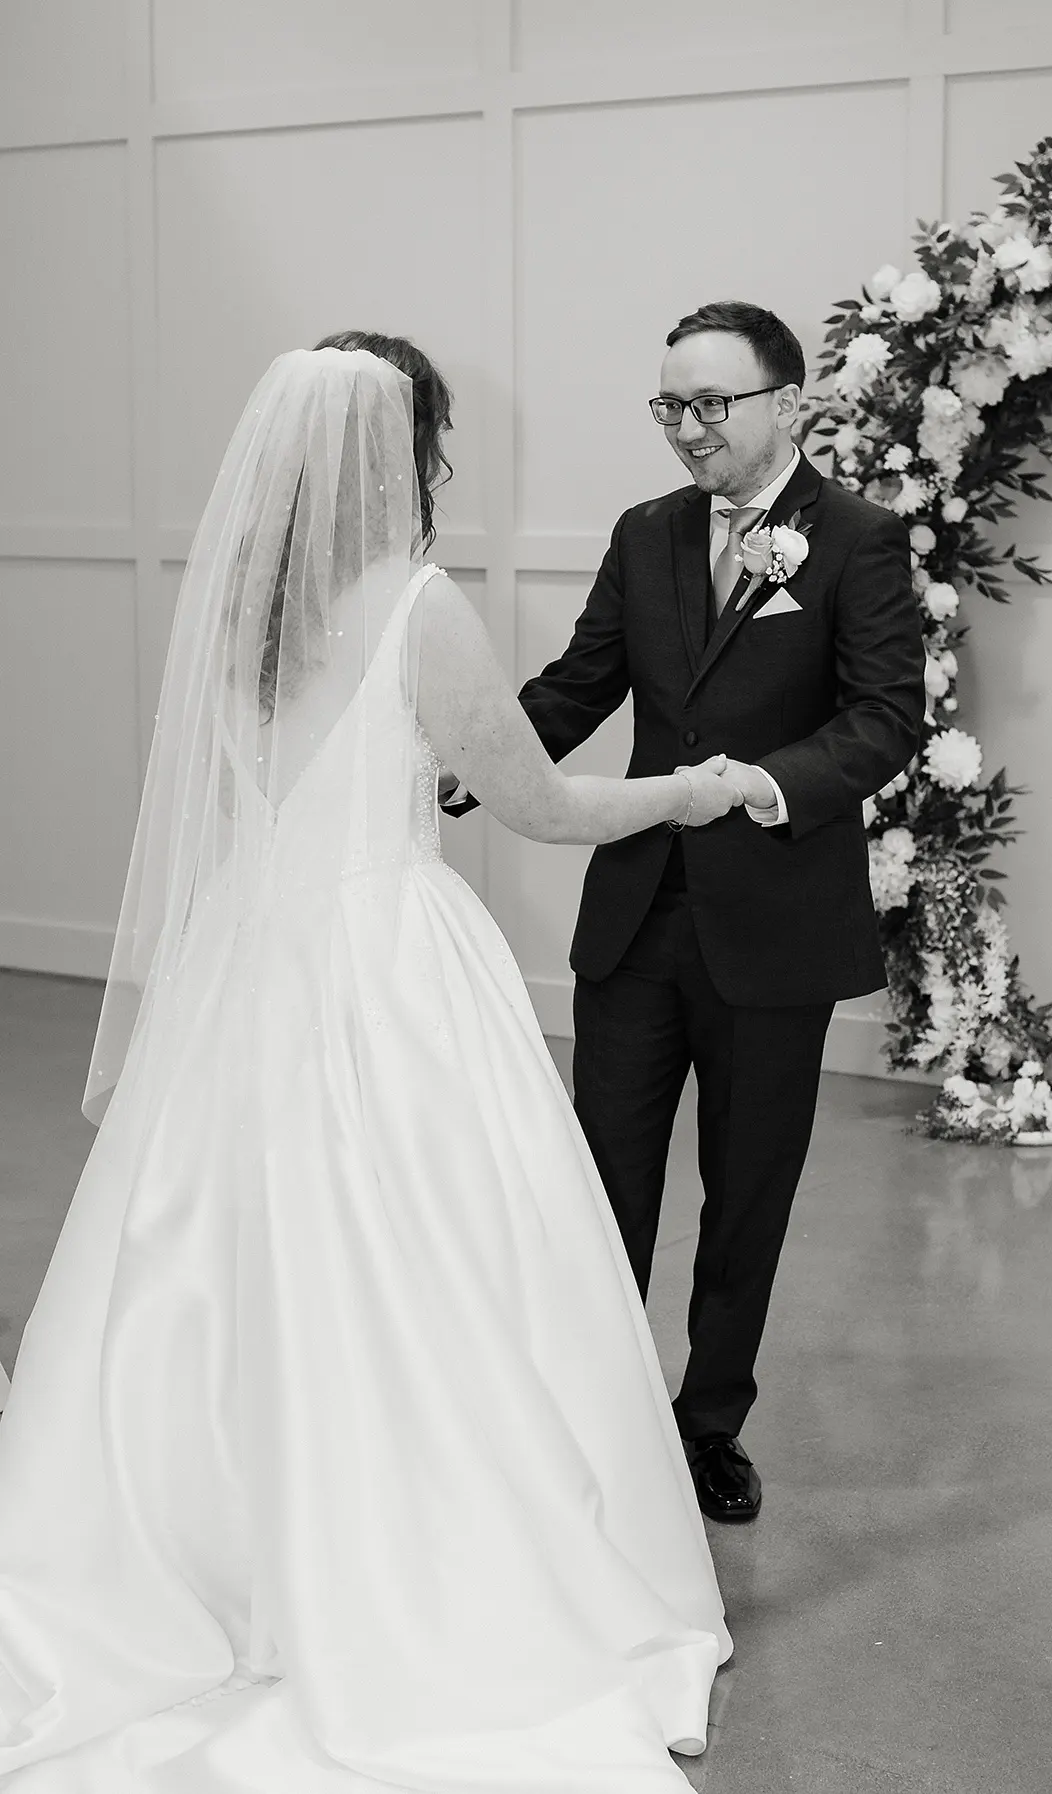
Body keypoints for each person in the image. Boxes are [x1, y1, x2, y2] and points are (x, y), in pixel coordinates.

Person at [0, 336, 738, 1792]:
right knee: (431, 1257)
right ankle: (396, 1564)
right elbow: (539, 806)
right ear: (405, 451)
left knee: (226, 1260)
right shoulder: (414, 604)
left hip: (248, 961)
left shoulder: (240, 603)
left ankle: (221, 1555)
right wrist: (689, 789)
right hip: (388, 962)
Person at [445, 301, 926, 1526]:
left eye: (714, 403)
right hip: (638, 914)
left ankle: (709, 1424)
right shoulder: (647, 531)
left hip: (775, 919)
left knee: (746, 1191)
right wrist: (471, 764)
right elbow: (581, 683)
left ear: (788, 402)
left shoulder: (858, 540)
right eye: (671, 404)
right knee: (601, 1180)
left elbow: (885, 720)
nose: (689, 428)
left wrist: (762, 786)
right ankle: (594, 1416)